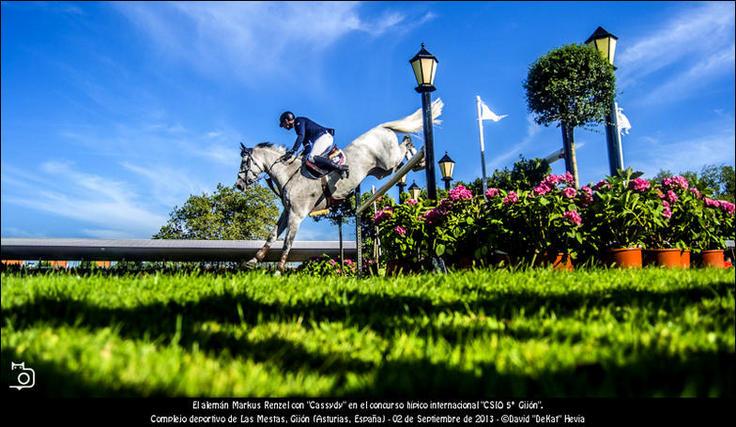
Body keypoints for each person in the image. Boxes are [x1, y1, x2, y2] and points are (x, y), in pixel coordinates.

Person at [279, 111, 348, 175]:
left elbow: (301, 136)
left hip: (324, 137)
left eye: (283, 124)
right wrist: (302, 156)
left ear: (286, 121)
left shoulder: (298, 121)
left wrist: (293, 150)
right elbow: (307, 146)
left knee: (311, 158)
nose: (283, 127)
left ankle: (340, 168)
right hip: (323, 139)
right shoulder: (299, 128)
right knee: (309, 160)